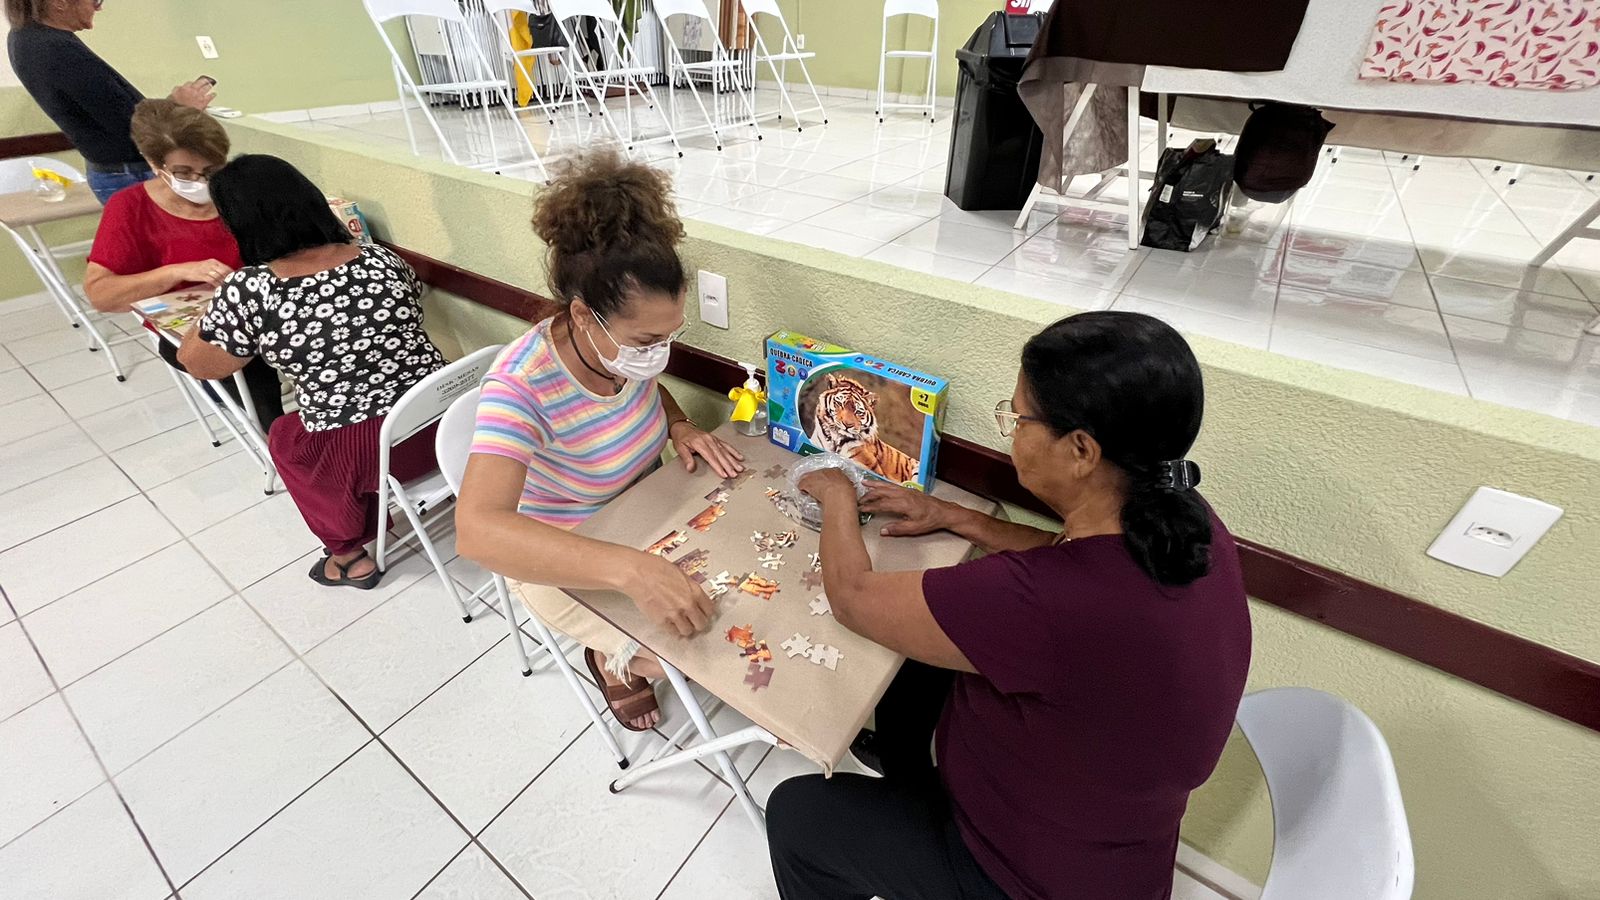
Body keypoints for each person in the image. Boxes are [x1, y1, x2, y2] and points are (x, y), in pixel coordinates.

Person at [768, 311, 1253, 900]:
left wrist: (836, 489)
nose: (1011, 430)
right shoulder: (1187, 521)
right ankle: (907, 773)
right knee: (921, 656)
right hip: (1115, 839)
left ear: (1081, 450)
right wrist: (957, 517)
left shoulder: (1042, 603)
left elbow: (852, 599)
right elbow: (1069, 554)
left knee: (796, 814)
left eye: (1019, 417)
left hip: (1023, 876)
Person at [455, 150, 745, 732]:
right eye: (647, 338)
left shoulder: (623, 353)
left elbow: (642, 386)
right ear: (585, 316)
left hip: (643, 513)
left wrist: (680, 422)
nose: (659, 353)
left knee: (737, 599)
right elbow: (477, 530)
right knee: (682, 657)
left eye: (671, 335)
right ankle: (608, 659)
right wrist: (629, 572)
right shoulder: (521, 387)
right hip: (560, 550)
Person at [177, 155, 447, 590]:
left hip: (377, 454)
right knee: (320, 429)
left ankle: (349, 556)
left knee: (288, 438)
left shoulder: (252, 288)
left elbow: (199, 362)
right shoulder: (380, 258)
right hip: (450, 424)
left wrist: (216, 307)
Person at [83, 98, 282, 433]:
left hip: (263, 311)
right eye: (183, 173)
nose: (201, 181)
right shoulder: (130, 208)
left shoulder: (240, 190)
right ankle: (284, 444)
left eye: (211, 171)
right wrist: (177, 271)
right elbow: (101, 294)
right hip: (199, 332)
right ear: (154, 164)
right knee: (247, 367)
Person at [6, 0, 216, 204]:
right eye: (95, 1)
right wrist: (178, 106)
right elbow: (129, 124)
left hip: (113, 169)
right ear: (59, 3)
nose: (99, 7)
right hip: (128, 173)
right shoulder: (55, 49)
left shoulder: (25, 38)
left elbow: (107, 107)